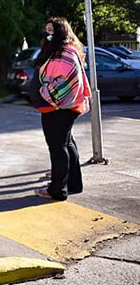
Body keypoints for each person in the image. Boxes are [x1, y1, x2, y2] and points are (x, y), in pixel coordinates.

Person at [31, 17, 89, 201]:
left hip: (58, 107)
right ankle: (73, 184)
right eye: (46, 30)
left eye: (51, 31)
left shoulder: (65, 53)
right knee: (67, 144)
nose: (48, 35)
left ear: (61, 32)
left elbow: (68, 81)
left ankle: (57, 190)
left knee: (58, 148)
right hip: (61, 107)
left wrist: (46, 92)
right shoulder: (63, 50)